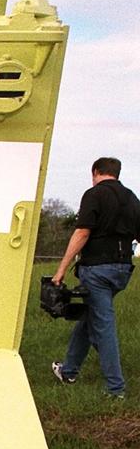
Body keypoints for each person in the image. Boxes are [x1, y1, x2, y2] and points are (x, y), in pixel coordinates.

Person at [51, 157, 140, 399]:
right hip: (122, 270)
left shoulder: (94, 194)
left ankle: (115, 389)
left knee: (103, 326)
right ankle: (68, 371)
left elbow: (82, 232)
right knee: (91, 317)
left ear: (96, 172)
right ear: (117, 173)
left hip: (97, 270)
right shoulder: (132, 198)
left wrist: (61, 269)